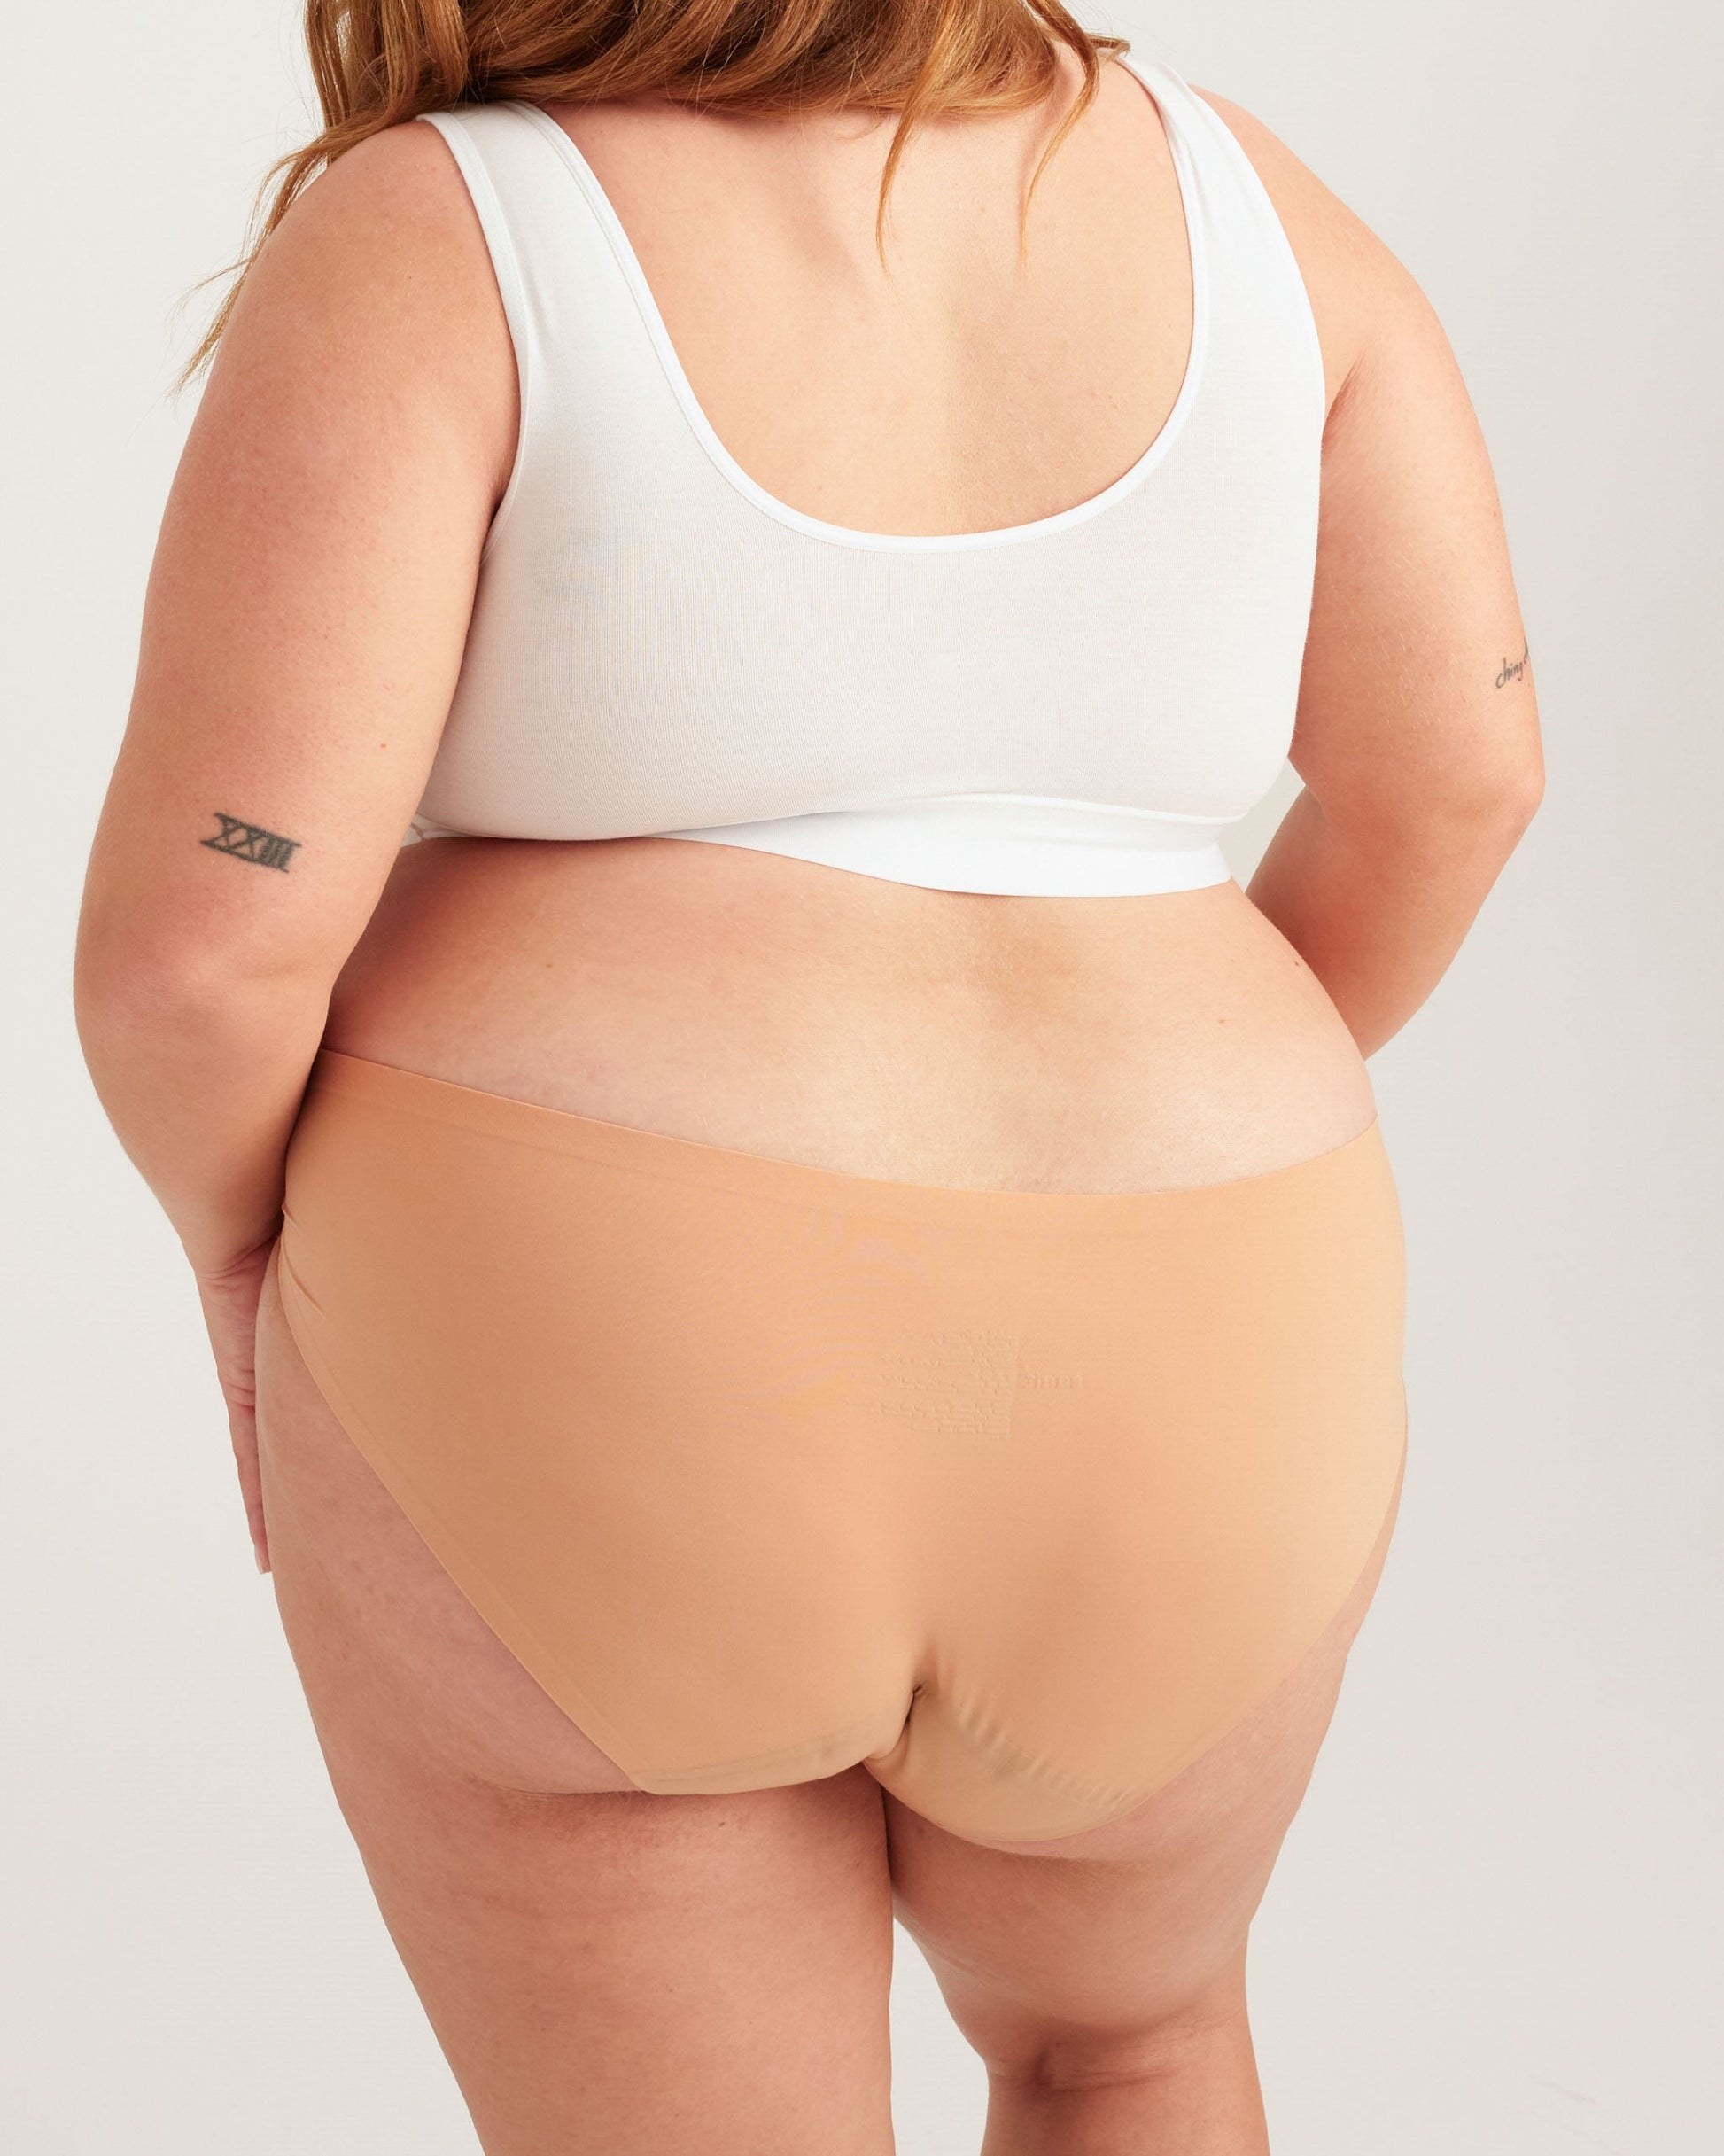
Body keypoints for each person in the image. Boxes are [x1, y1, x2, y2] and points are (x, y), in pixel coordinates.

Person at [73, 0, 1542, 2144]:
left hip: (597, 1322)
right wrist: (1145, 1132)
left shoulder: (444, 224)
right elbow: (1460, 780)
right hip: (1215, 1323)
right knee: (1127, 2047)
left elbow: (208, 945)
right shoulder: (1256, 207)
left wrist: (245, 1258)